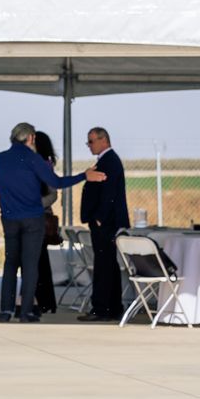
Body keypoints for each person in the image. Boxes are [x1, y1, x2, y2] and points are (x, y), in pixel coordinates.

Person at [0, 122, 102, 323]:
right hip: (32, 219)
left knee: (10, 264)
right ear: (31, 138)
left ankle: (6, 310)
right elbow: (56, 183)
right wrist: (83, 176)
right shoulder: (33, 159)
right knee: (30, 265)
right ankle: (25, 312)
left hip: (9, 218)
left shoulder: (0, 159)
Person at [78, 126, 129, 322]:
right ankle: (113, 306)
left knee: (103, 265)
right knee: (108, 264)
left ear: (103, 140)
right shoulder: (105, 160)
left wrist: (100, 217)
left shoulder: (110, 161)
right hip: (104, 221)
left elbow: (109, 193)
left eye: (91, 141)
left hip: (105, 222)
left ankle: (102, 308)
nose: (89, 145)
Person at [34, 130, 62, 313]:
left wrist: (34, 204)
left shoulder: (44, 166)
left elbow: (53, 194)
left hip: (39, 217)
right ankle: (44, 301)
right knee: (39, 262)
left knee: (39, 262)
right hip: (34, 217)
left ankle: (44, 301)